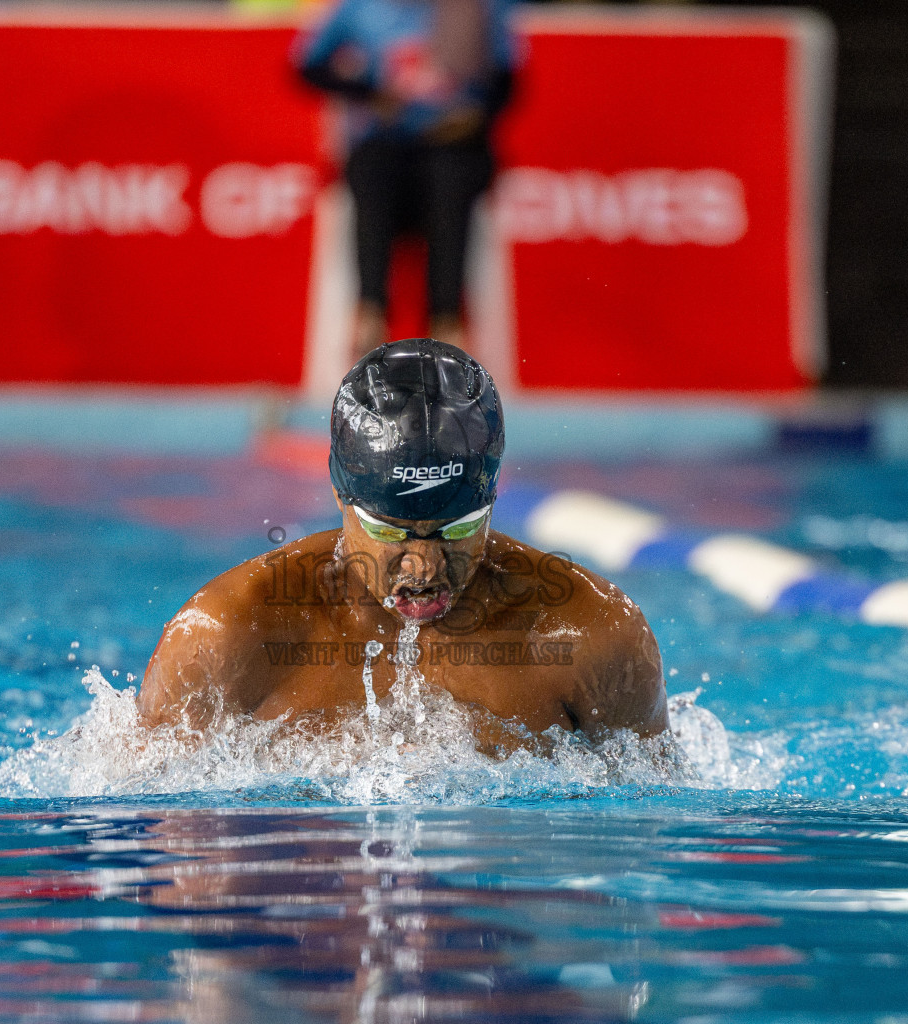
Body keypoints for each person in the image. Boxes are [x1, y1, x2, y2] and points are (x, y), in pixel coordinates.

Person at [139, 338, 671, 752]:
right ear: (339, 494)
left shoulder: (592, 637)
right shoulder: (226, 635)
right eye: (392, 532)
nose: (424, 565)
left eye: (457, 528)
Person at [296, 0, 517, 356]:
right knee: (372, 173)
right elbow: (306, 66)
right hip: (385, 142)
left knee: (449, 182)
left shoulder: (473, 9)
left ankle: (447, 323)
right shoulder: (360, 8)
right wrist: (369, 93)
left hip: (453, 145)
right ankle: (370, 313)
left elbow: (509, 81)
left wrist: (474, 115)